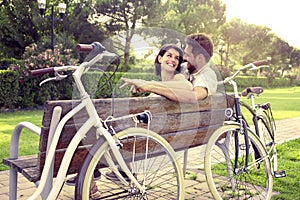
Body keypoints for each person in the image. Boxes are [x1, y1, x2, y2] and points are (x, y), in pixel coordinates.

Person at [121, 33, 217, 103]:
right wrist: (144, 84)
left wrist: (149, 86)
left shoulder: (207, 76)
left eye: (187, 55)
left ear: (200, 58)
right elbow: (168, 83)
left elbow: (191, 97)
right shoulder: (185, 67)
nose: (183, 58)